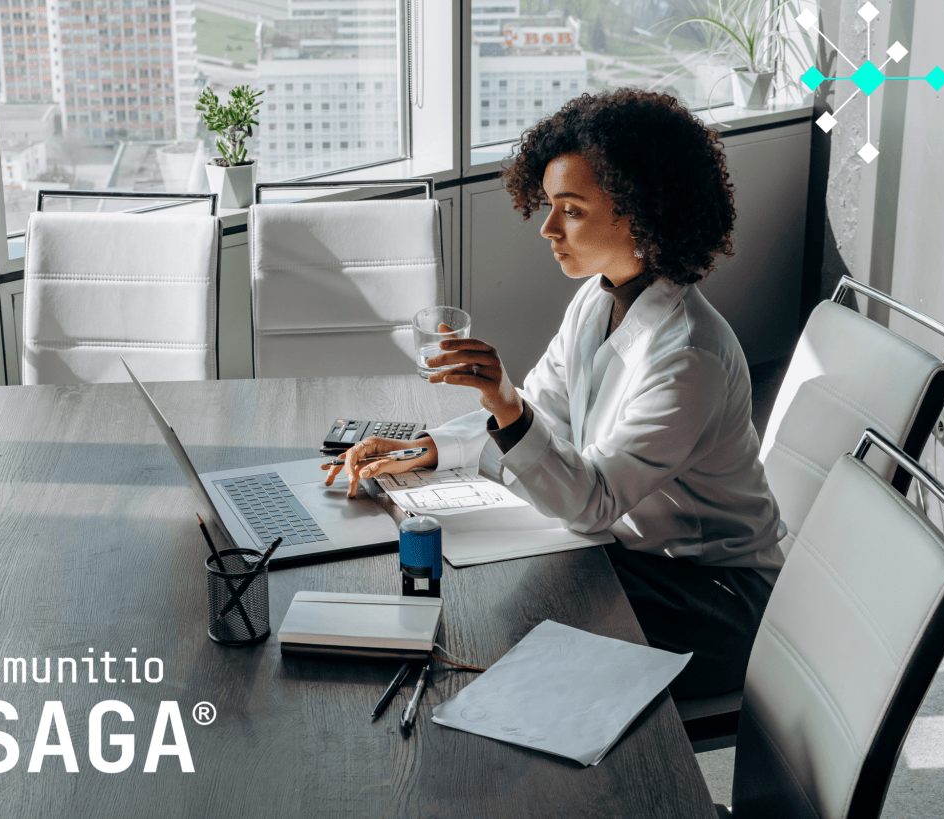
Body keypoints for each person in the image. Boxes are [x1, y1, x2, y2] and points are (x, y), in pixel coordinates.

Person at [323, 89, 785, 699]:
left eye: (570, 210)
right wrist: (425, 449)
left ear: (640, 213)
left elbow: (593, 500)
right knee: (491, 599)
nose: (547, 229)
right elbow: (541, 411)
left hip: (713, 598)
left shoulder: (689, 355)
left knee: (500, 622)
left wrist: (505, 404)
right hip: (631, 555)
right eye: (549, 206)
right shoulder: (599, 298)